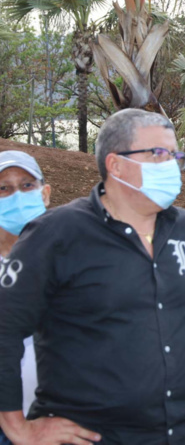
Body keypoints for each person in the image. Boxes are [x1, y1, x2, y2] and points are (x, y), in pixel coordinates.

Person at [0, 109, 185, 445]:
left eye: (174, 155)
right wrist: (16, 426)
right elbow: (5, 326)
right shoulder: (57, 233)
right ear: (116, 165)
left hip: (181, 431)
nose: (171, 165)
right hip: (94, 435)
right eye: (158, 154)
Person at [0, 151, 52, 445]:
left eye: (27, 185)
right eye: (3, 188)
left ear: (45, 194)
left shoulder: (73, 258)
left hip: (65, 418)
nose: (16, 196)